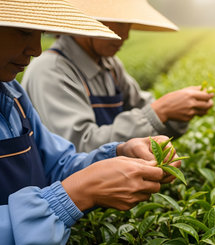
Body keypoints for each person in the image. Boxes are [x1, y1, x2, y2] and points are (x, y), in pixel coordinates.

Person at [0, 0, 181, 243]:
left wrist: (119, 152)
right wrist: (73, 196)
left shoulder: (12, 94)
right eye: (23, 31)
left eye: (39, 33)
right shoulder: (51, 70)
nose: (36, 48)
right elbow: (78, 146)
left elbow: (55, 164)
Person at [22, 0, 215, 152]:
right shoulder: (50, 70)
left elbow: (143, 107)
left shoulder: (110, 65)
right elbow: (79, 148)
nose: (125, 35)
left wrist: (180, 110)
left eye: (128, 25)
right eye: (119, 23)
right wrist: (159, 111)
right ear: (87, 19)